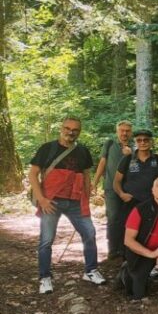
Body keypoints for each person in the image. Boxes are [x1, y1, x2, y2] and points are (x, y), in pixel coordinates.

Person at [29, 116, 105, 294]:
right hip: (51, 201)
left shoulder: (83, 151)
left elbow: (86, 176)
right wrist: (42, 199)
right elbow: (33, 174)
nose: (70, 132)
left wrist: (86, 199)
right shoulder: (47, 149)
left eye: (75, 130)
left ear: (79, 131)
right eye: (67, 128)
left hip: (76, 201)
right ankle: (45, 278)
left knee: (90, 233)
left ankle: (91, 270)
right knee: (46, 240)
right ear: (61, 128)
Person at [113, 129, 158, 257]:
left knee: (149, 231)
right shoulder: (128, 159)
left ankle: (147, 261)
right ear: (135, 142)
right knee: (128, 231)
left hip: (151, 202)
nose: (143, 142)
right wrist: (121, 194)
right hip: (131, 202)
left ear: (151, 142)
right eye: (139, 140)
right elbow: (116, 181)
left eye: (146, 140)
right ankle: (127, 260)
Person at [92, 120, 133, 259]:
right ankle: (112, 248)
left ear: (131, 132)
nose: (124, 133)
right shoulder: (110, 144)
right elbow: (102, 163)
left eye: (127, 130)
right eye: (122, 130)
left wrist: (130, 155)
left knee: (127, 219)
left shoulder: (135, 147)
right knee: (113, 217)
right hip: (111, 188)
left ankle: (123, 248)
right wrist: (95, 182)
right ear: (117, 131)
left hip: (129, 190)